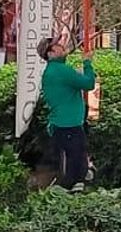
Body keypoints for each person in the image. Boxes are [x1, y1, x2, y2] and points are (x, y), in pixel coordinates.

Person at [38, 36, 97, 190]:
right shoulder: (61, 71)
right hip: (69, 125)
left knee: (75, 162)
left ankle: (73, 190)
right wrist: (87, 63)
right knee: (76, 168)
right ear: (50, 53)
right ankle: (67, 193)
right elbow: (89, 83)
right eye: (56, 45)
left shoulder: (54, 71)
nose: (61, 45)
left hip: (63, 124)